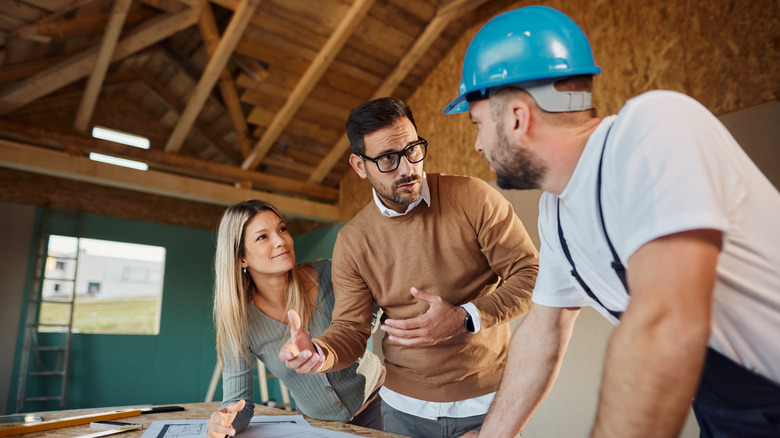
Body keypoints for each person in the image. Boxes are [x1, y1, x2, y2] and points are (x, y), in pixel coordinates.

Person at [443, 6, 780, 438]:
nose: (477, 145)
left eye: (477, 124)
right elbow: (544, 333)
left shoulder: (656, 129)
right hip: (727, 411)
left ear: (516, 118)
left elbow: (665, 325)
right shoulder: (558, 212)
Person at [278, 97, 539, 437]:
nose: (407, 168)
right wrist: (319, 351)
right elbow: (351, 330)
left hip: (486, 403)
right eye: (388, 158)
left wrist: (464, 317)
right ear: (359, 166)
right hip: (402, 410)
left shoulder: (475, 198)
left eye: (413, 150)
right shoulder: (353, 240)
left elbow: (531, 275)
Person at [206, 200, 385, 438]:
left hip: (380, 402)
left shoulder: (329, 273)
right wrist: (225, 421)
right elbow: (238, 404)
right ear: (241, 259)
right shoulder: (238, 322)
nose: (281, 241)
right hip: (317, 426)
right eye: (262, 237)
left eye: (282, 229)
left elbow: (370, 313)